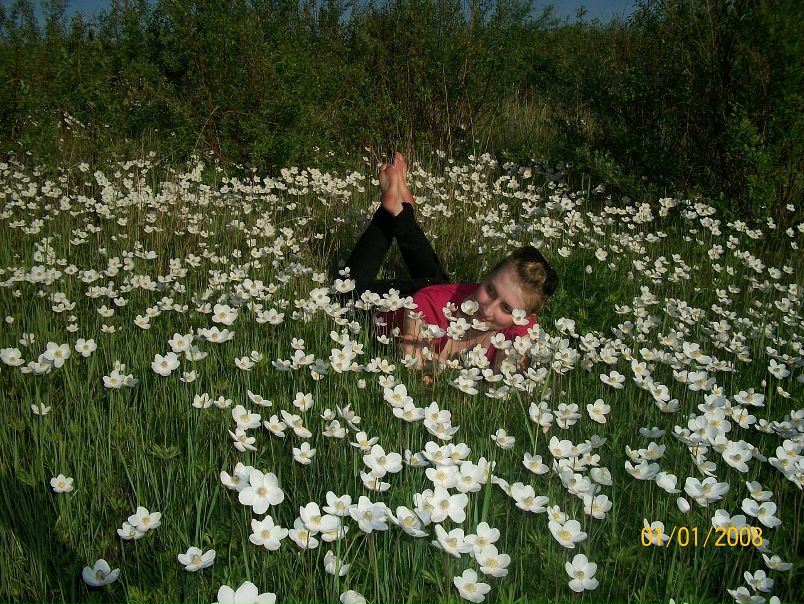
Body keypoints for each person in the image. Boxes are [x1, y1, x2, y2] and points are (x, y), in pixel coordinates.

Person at [339, 152, 558, 373]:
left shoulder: (522, 331)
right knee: (343, 292)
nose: (488, 309)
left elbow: (506, 383)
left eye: (507, 308)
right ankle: (389, 214)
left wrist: (438, 365)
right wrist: (434, 366)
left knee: (438, 284)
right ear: (486, 276)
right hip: (396, 303)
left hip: (441, 296)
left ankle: (401, 213)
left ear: (524, 317)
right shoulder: (424, 305)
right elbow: (414, 364)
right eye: (490, 290)